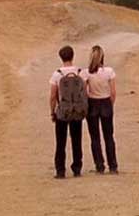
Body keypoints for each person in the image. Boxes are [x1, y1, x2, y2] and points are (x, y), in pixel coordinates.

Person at [49, 45, 87, 179]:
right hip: (76, 110)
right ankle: (77, 168)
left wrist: (52, 111)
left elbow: (53, 95)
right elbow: (84, 92)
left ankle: (60, 170)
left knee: (60, 142)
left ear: (61, 57)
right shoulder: (80, 72)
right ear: (73, 56)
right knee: (76, 140)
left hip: (62, 111)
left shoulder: (57, 74)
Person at [85, 45, 119, 174]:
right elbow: (113, 92)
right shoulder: (109, 71)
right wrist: (110, 104)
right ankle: (113, 165)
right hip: (106, 102)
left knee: (95, 137)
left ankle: (99, 165)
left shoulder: (86, 72)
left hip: (93, 103)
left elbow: (84, 92)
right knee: (109, 136)